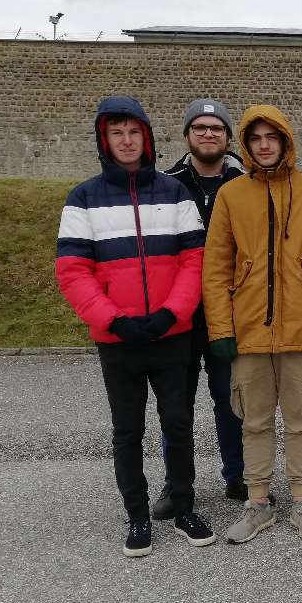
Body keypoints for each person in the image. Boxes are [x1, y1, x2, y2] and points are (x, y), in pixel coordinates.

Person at [57, 95, 212, 556]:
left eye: (134, 133)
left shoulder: (175, 192)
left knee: (179, 423)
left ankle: (183, 506)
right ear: (104, 141)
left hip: (170, 331)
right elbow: (72, 270)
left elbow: (194, 260)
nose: (126, 141)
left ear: (147, 138)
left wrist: (172, 312)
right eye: (117, 134)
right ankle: (138, 516)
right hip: (118, 338)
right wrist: (113, 320)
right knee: (128, 429)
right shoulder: (83, 198)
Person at [203, 104, 302, 545]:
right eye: (256, 139)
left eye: (272, 138)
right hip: (249, 330)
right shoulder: (231, 195)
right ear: (246, 144)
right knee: (254, 419)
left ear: (285, 141)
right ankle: (258, 501)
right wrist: (221, 329)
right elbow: (217, 268)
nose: (265, 146)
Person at [152, 98, 245, 517]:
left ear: (227, 137)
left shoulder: (244, 181)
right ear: (188, 134)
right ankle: (177, 484)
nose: (209, 134)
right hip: (180, 309)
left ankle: (238, 475)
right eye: (201, 128)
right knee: (176, 401)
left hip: (230, 307)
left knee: (230, 398)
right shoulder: (166, 183)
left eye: (217, 128)